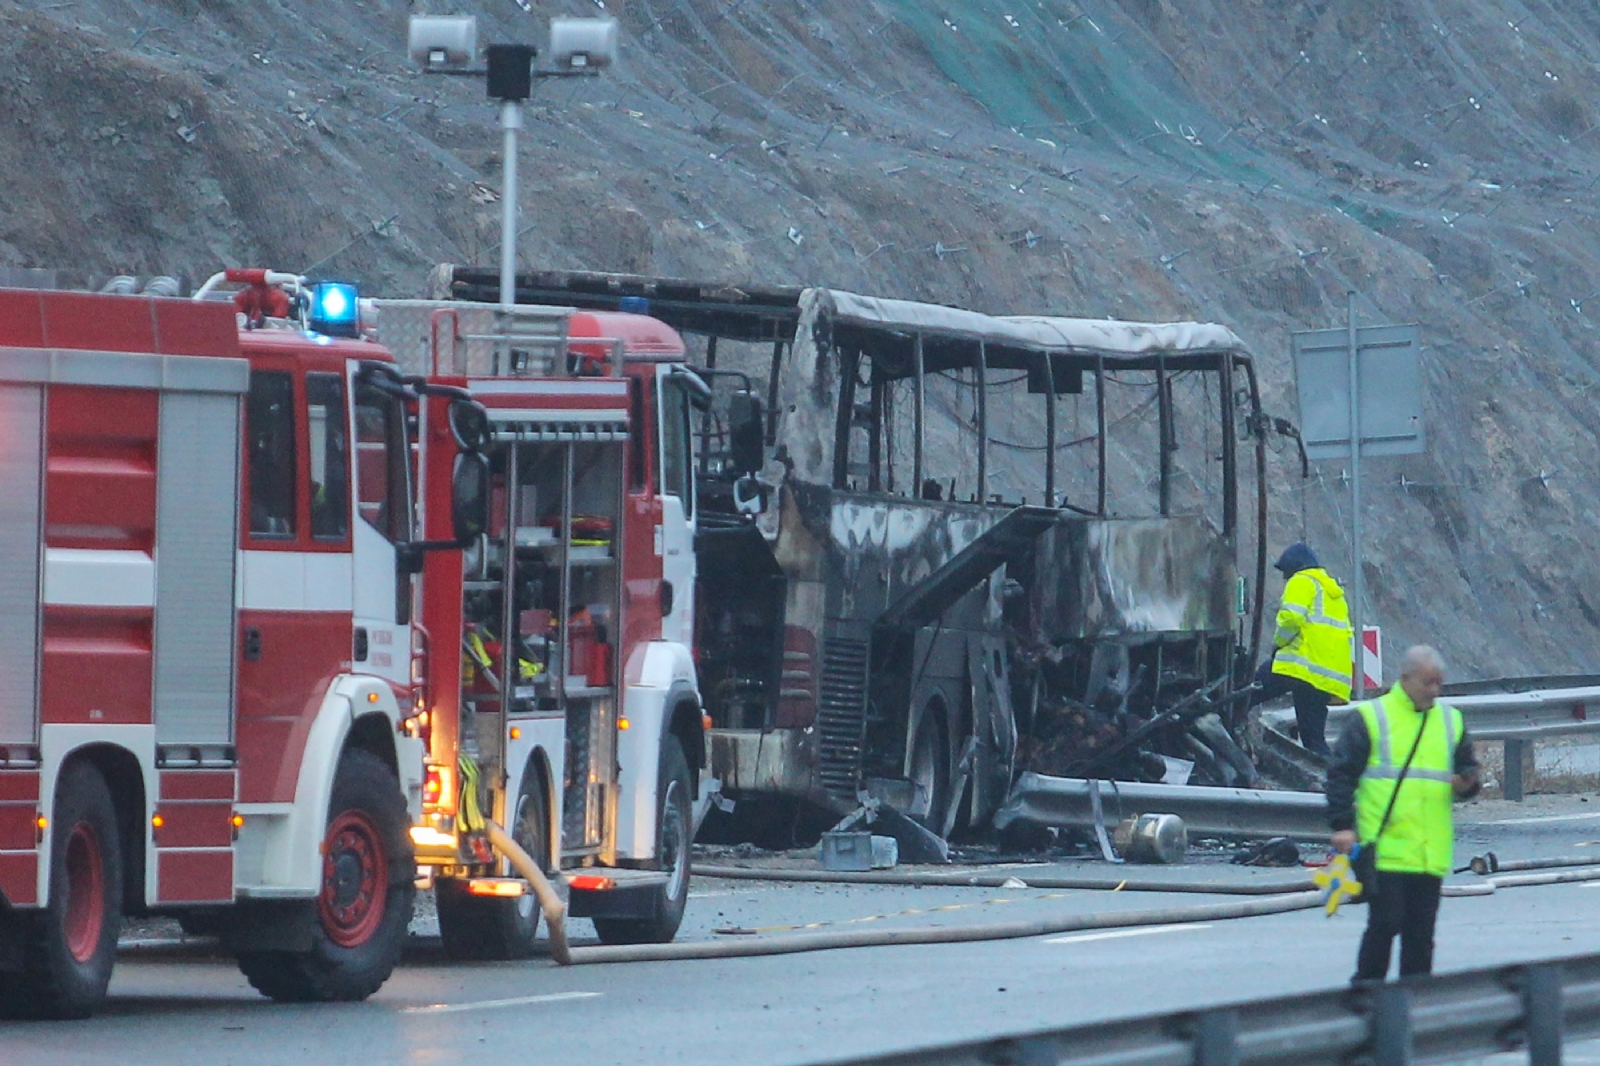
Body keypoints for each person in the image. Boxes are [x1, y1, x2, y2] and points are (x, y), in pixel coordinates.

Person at [1326, 645, 1481, 983]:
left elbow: (1469, 773)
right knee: (1385, 925)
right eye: (1427, 683)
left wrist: (1466, 784)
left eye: (1439, 683)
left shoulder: (1450, 721)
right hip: (1385, 848)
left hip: (1429, 851)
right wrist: (1342, 824)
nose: (1434, 691)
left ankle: (1415, 1008)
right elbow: (1340, 773)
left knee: (1420, 937)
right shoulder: (1372, 718)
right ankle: (1368, 996)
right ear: (1406, 678)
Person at [1265, 543, 1352, 757]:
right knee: (1314, 740)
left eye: (1285, 572)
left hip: (1300, 666)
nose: (1285, 578)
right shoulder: (1331, 591)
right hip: (1324, 676)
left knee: (1246, 692)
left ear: (1294, 568)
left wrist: (1278, 643)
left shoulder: (1302, 581)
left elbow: (1291, 618)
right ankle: (1333, 778)